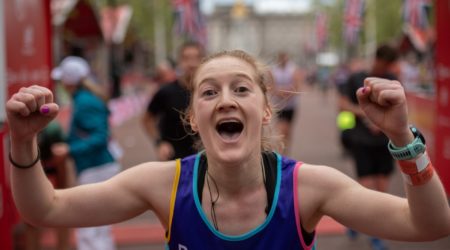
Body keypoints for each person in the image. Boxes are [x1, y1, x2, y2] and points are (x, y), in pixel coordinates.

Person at [6, 50, 450, 250]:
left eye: (241, 88)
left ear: (266, 111)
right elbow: (45, 209)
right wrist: (22, 140)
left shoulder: (309, 186)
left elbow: (429, 225)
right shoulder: (162, 184)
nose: (225, 100)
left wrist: (403, 141)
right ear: (192, 119)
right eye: (208, 93)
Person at [50, 56, 120, 250]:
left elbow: (100, 137)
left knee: (90, 228)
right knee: (99, 227)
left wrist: (69, 149)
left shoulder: (85, 101)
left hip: (95, 167)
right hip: (98, 166)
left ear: (68, 81)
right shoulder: (86, 98)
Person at [339, 44, 401, 249]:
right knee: (366, 188)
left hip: (384, 141)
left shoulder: (393, 80)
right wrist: (366, 114)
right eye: (383, 64)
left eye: (389, 66)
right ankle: (370, 230)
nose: (385, 69)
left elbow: (398, 107)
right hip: (361, 141)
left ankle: (368, 227)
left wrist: (382, 122)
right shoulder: (356, 79)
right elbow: (342, 105)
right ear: (376, 60)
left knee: (382, 188)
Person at [143, 41, 204, 160]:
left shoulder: (210, 92)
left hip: (204, 160)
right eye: (186, 58)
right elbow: (147, 119)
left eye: (196, 58)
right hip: (174, 161)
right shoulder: (166, 91)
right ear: (179, 61)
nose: (191, 63)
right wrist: (159, 143)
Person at [270, 51, 303, 153]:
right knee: (281, 129)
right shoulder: (273, 70)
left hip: (291, 105)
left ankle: (285, 150)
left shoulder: (293, 69)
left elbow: (297, 87)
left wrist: (287, 94)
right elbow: (271, 87)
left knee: (288, 130)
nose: (283, 60)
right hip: (278, 105)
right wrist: (280, 93)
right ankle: (280, 152)